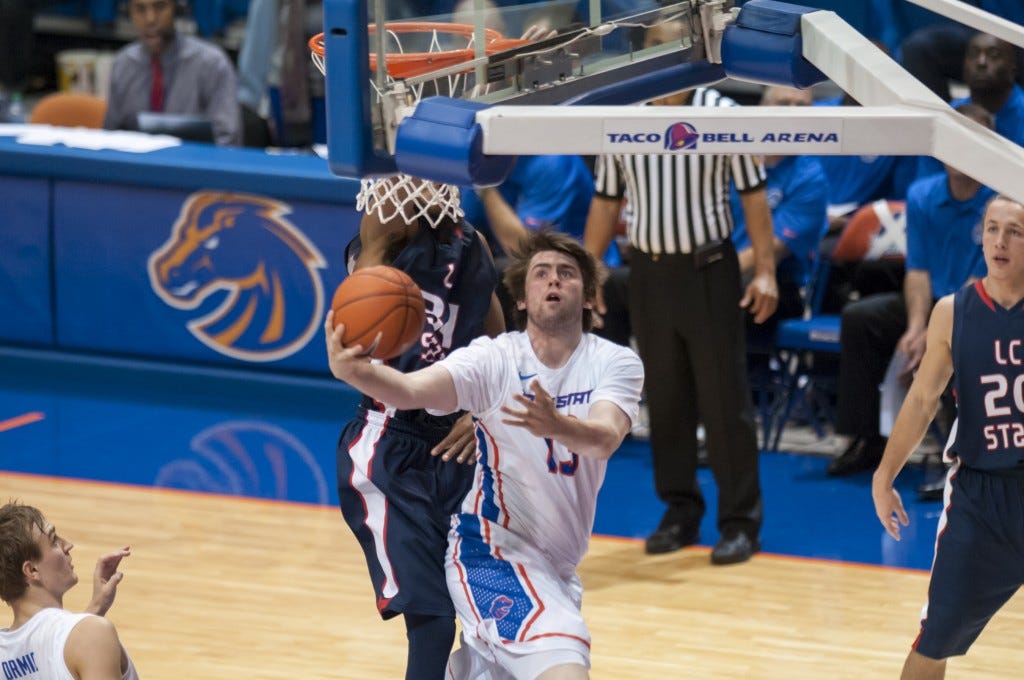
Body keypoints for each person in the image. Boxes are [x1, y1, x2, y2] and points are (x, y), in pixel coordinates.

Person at [325, 229, 644, 679]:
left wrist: (558, 426)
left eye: (567, 274)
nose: (553, 281)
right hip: (491, 551)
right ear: (519, 298)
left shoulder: (616, 363)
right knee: (567, 668)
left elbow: (606, 436)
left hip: (556, 569)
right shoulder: (493, 359)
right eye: (542, 273)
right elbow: (412, 389)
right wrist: (356, 372)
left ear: (590, 297)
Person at [582, 16, 778, 565]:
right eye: (658, 49)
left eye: (676, 50)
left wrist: (764, 270)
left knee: (724, 401)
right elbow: (605, 201)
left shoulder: (724, 115)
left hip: (708, 271)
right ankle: (679, 510)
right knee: (664, 399)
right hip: (647, 273)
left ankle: (740, 520)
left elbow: (754, 197)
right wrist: (588, 274)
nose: (666, 59)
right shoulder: (622, 118)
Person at [333, 175, 505, 680]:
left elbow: (500, 344)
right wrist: (379, 240)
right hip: (388, 446)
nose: (418, 187)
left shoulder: (471, 247)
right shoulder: (377, 243)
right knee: (432, 620)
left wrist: (480, 414)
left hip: (459, 444)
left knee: (491, 614)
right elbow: (350, 343)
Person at [872, 193, 1024, 680]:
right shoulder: (952, 311)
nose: (1000, 242)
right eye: (992, 228)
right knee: (934, 638)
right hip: (980, 500)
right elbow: (921, 400)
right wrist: (885, 473)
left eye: (1015, 231)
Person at [827, 103, 995, 477]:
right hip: (934, 300)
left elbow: (988, 277)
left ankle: (958, 456)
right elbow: (917, 269)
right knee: (861, 318)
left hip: (983, 305)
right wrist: (917, 327)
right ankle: (867, 439)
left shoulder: (1001, 201)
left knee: (962, 336)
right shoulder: (922, 195)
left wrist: (937, 332)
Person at [731, 85, 830, 348]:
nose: (793, 113)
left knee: (715, 297)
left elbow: (768, 252)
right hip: (721, 272)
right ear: (762, 110)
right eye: (784, 103)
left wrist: (705, 276)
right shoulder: (735, 158)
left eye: (802, 107)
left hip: (776, 284)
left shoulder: (810, 178)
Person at [0, 501, 138, 680]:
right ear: (32, 570)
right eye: (54, 540)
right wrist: (90, 623)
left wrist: (95, 608)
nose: (67, 545)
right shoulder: (92, 635)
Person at [103, 0, 242, 146]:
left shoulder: (212, 64)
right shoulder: (123, 64)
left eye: (160, 7)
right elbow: (110, 137)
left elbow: (227, 140)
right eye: (140, 9)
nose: (150, 19)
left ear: (176, 8)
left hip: (192, 164)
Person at [917, 31, 1024, 179]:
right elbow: (926, 185)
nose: (981, 62)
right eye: (974, 54)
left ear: (1013, 70)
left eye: (993, 55)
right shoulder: (948, 117)